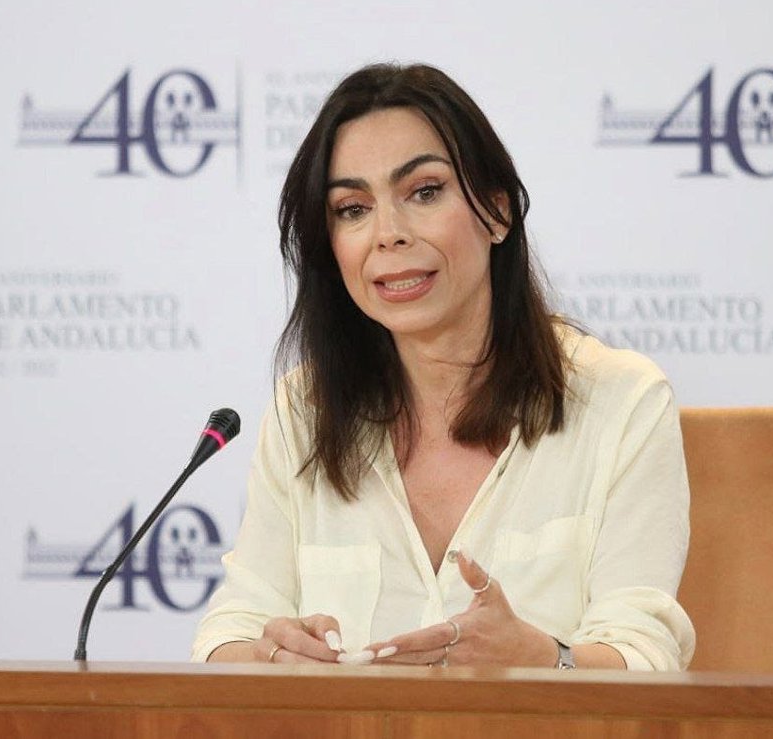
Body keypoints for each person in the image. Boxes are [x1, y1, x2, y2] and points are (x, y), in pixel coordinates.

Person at [192, 63, 694, 670]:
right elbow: (229, 633)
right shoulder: (304, 412)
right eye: (352, 208)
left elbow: (645, 658)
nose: (388, 234)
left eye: (424, 192)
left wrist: (545, 659)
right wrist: (271, 654)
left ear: (497, 212)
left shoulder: (621, 400)